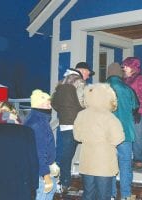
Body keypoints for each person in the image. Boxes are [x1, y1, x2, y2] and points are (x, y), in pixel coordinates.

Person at [73, 83, 124, 200]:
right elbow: (118, 138)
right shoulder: (109, 117)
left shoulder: (81, 115)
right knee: (103, 195)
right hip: (104, 164)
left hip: (87, 162)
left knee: (88, 194)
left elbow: (77, 136)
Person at [51, 61, 94, 193]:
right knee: (83, 151)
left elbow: (54, 103)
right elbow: (84, 102)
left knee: (67, 153)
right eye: (87, 73)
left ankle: (64, 181)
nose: (87, 76)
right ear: (82, 70)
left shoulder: (61, 82)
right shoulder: (79, 82)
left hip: (64, 123)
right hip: (77, 122)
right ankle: (67, 183)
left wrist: (64, 112)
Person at [106, 63, 139, 200]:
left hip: (107, 134)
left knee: (109, 164)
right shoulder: (127, 88)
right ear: (120, 74)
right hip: (125, 132)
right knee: (125, 164)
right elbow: (135, 106)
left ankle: (111, 194)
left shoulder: (101, 89)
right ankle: (126, 195)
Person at [23, 89, 59, 200]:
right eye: (47, 104)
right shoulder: (38, 123)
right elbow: (39, 150)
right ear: (40, 105)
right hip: (40, 172)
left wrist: (51, 162)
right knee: (43, 194)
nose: (50, 107)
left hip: (39, 168)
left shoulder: (36, 119)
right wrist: (45, 174)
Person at [122, 57, 142, 168]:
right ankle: (128, 157)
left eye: (126, 66)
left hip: (138, 112)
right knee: (127, 135)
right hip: (128, 112)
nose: (124, 68)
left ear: (132, 67)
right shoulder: (125, 79)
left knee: (137, 136)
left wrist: (139, 110)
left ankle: (138, 158)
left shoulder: (139, 79)